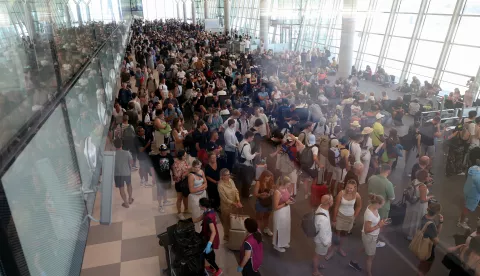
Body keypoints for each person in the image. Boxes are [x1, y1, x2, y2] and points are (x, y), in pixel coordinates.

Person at [349, 194, 388, 276]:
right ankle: (369, 273)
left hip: (372, 236)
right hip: (369, 236)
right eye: (381, 205)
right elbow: (367, 230)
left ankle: (354, 262)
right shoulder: (369, 214)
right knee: (371, 257)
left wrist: (381, 222)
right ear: (377, 203)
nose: (382, 206)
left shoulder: (374, 208)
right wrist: (379, 226)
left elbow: (375, 221)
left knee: (364, 248)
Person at [328, 179, 362, 259]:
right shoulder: (341, 193)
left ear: (354, 188)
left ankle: (340, 248)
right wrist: (334, 219)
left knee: (344, 235)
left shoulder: (357, 195)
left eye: (351, 188)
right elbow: (336, 206)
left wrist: (354, 216)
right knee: (336, 234)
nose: (349, 189)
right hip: (340, 216)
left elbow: (359, 206)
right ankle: (332, 250)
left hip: (349, 217)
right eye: (348, 187)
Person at [192, 198, 223, 276]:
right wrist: (188, 221)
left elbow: (213, 232)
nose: (199, 205)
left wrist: (209, 244)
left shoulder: (208, 217)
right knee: (210, 254)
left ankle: (218, 270)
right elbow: (198, 219)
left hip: (210, 239)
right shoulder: (209, 211)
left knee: (208, 255)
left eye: (200, 204)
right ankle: (212, 268)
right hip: (206, 235)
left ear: (203, 206)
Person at [367, 164, 394, 248]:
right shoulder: (388, 183)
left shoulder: (371, 178)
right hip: (382, 208)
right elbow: (392, 197)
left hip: (371, 204)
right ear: (388, 171)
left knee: (370, 221)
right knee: (380, 224)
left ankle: (368, 236)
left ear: (381, 169)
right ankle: (375, 241)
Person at [403, 170, 433, 241]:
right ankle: (413, 236)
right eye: (428, 176)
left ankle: (408, 233)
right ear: (425, 178)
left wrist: (427, 185)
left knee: (411, 218)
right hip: (418, 206)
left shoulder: (414, 181)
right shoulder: (422, 187)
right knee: (416, 220)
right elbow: (422, 200)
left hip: (412, 204)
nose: (429, 177)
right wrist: (430, 197)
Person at [417, 202, 443, 276]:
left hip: (422, 243)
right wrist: (441, 222)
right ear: (437, 212)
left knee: (422, 262)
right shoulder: (431, 224)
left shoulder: (424, 217)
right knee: (425, 267)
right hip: (428, 248)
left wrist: (440, 222)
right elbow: (436, 240)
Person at [218, 168, 242, 241]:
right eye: (226, 175)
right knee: (227, 222)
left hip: (235, 205)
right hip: (226, 207)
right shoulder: (220, 185)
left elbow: (236, 190)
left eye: (229, 174)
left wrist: (238, 200)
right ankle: (227, 236)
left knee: (234, 220)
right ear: (222, 176)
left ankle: (234, 234)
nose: (228, 176)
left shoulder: (231, 181)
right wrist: (234, 203)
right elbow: (224, 199)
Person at [458, 148, 480, 229]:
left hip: (468, 190)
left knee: (466, 206)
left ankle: (461, 219)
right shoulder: (478, 176)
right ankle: (461, 222)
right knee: (467, 208)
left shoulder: (473, 168)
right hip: (473, 195)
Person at [313, 194, 334, 276]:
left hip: (320, 238)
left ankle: (317, 265)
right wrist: (327, 244)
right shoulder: (323, 219)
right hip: (322, 241)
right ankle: (315, 271)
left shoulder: (321, 207)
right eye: (332, 200)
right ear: (329, 203)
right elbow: (322, 235)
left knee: (319, 254)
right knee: (317, 255)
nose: (333, 201)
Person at [272, 176, 294, 252]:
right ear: (284, 183)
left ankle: (283, 242)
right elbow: (275, 207)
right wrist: (285, 203)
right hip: (280, 212)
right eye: (288, 184)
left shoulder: (285, 189)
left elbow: (286, 197)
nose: (289, 185)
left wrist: (290, 199)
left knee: (286, 227)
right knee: (279, 228)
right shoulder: (277, 192)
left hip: (286, 211)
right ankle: (277, 245)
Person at [188, 159, 208, 232]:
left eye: (199, 167)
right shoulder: (191, 176)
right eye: (196, 167)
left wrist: (204, 186)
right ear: (193, 167)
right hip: (195, 196)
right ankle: (197, 231)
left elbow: (205, 182)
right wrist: (201, 188)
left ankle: (203, 228)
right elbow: (191, 190)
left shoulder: (201, 172)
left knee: (203, 211)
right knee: (196, 213)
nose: (197, 169)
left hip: (203, 194)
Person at [113, 138, 134, 208]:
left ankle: (126, 203)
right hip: (127, 172)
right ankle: (130, 199)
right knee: (129, 185)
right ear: (122, 144)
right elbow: (131, 162)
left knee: (121, 188)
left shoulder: (113, 154)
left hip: (117, 174)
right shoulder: (127, 152)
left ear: (114, 145)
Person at [254, 170, 275, 237]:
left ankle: (266, 228)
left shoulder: (271, 182)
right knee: (259, 217)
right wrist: (261, 194)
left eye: (269, 177)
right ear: (263, 176)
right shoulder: (258, 182)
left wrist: (272, 192)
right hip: (260, 202)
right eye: (266, 177)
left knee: (267, 216)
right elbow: (255, 194)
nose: (267, 179)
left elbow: (273, 190)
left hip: (269, 201)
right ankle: (258, 231)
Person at [239, 131, 260, 197]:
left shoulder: (241, 142)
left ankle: (244, 192)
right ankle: (246, 194)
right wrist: (254, 154)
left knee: (244, 180)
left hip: (242, 163)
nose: (252, 139)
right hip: (246, 164)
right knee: (247, 181)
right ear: (249, 137)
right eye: (252, 138)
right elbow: (248, 157)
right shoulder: (247, 145)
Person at [155, 144, 174, 213]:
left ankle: (165, 201)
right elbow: (153, 168)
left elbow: (172, 166)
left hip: (167, 176)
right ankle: (160, 206)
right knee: (160, 192)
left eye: (165, 150)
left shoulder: (169, 156)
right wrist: (153, 178)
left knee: (165, 189)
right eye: (162, 151)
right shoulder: (156, 158)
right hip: (159, 178)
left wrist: (174, 174)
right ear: (160, 151)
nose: (164, 152)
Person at [172, 150, 190, 219]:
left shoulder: (184, 161)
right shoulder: (175, 163)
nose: (185, 157)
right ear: (181, 156)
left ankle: (186, 209)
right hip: (179, 183)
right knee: (179, 198)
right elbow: (177, 175)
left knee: (186, 196)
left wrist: (187, 172)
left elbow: (187, 170)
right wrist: (185, 173)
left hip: (185, 181)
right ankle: (179, 212)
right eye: (184, 156)